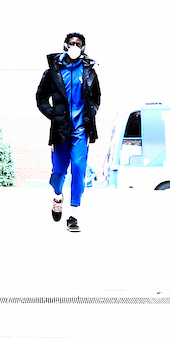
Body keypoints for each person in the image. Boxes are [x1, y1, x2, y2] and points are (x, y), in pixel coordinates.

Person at [35, 32, 101, 232]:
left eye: (78, 44)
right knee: (59, 169)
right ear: (65, 45)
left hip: (81, 129)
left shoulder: (89, 71)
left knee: (79, 168)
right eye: (71, 43)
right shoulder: (53, 72)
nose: (74, 46)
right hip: (61, 129)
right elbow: (41, 98)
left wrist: (89, 116)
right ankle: (57, 196)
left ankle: (73, 215)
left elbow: (96, 98)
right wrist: (53, 114)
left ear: (82, 48)